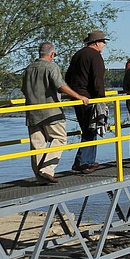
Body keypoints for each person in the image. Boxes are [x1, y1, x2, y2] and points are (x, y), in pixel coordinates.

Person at [21, 42, 89, 184]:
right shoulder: (51, 67)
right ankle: (47, 170)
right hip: (51, 112)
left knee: (37, 145)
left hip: (32, 112)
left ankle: (40, 177)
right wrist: (79, 96)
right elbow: (60, 85)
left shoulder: (28, 69)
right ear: (52, 54)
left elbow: (23, 90)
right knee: (60, 138)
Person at [65, 30, 108, 174]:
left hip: (77, 97)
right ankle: (83, 162)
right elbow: (98, 80)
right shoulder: (95, 56)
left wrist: (74, 94)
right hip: (89, 98)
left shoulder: (78, 55)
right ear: (96, 43)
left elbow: (67, 76)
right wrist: (102, 100)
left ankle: (87, 161)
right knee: (91, 129)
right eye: (103, 42)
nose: (104, 45)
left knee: (87, 129)